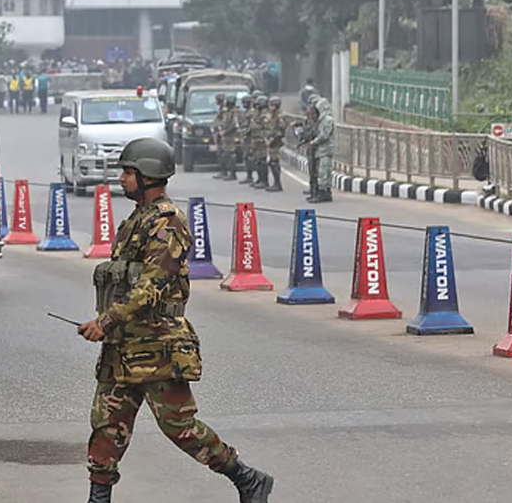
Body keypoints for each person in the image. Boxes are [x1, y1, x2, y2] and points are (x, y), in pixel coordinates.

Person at [77, 137, 274, 503]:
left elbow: (150, 287)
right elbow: (125, 284)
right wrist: (108, 324)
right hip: (122, 345)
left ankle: (247, 478)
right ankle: (98, 499)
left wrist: (105, 321)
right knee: (106, 425)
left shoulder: (168, 224)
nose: (121, 178)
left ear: (149, 175)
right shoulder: (136, 221)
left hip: (157, 347)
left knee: (179, 426)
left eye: (128, 172)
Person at [308, 97, 335, 203]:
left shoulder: (328, 120)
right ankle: (324, 192)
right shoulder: (321, 120)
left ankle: (323, 192)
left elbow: (324, 135)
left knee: (324, 172)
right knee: (321, 172)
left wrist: (314, 142)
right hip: (321, 150)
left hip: (326, 149)